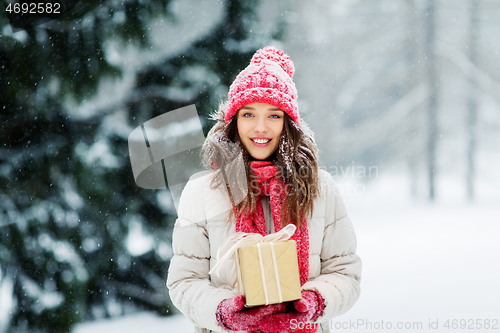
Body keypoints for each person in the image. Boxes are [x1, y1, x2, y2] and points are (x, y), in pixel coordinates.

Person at [167, 46, 361, 333]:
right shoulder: (202, 192)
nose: (261, 128)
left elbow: (345, 273)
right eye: (248, 115)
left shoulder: (320, 188)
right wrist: (224, 312)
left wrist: (314, 302)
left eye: (273, 115)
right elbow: (184, 282)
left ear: (288, 123)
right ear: (233, 120)